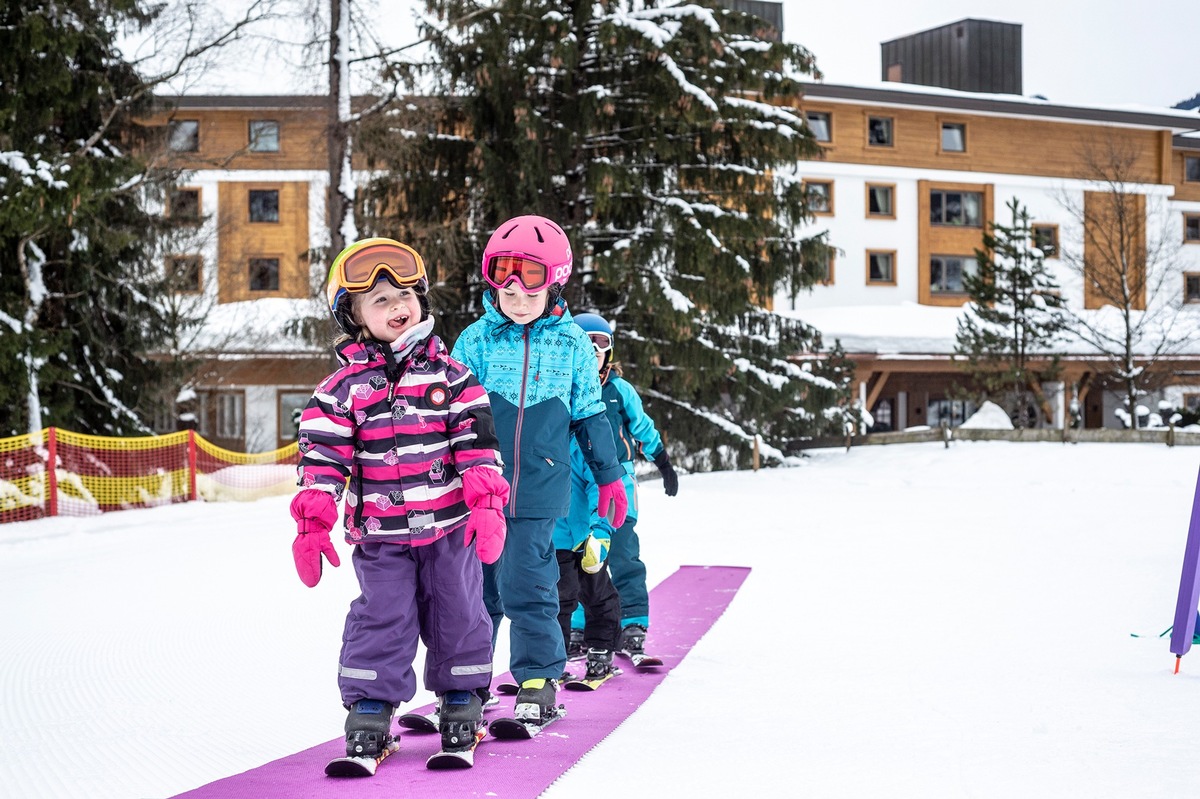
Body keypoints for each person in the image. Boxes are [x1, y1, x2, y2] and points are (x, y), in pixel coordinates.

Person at [290, 237, 510, 761]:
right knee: (382, 615)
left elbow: (477, 444)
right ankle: (370, 704)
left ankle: (461, 696)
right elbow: (322, 457)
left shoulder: (453, 379)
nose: (397, 307)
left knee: (459, 608)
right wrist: (312, 521)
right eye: (380, 300)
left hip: (450, 528)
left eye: (404, 295)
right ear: (355, 315)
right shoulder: (340, 390)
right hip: (381, 537)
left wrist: (485, 502)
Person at [451, 214, 629, 725]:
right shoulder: (476, 340)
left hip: (538, 491)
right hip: (476, 494)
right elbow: (451, 415)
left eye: (531, 284)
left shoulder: (572, 342)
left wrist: (609, 474)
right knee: (476, 593)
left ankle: (537, 680)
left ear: (555, 282)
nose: (518, 295)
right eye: (505, 281)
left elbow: (591, 414)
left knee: (529, 587)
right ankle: (468, 684)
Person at [568, 313, 679, 662]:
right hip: (574, 483)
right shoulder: (563, 388)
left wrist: (663, 461)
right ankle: (580, 624)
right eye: (587, 343)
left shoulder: (619, 391)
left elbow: (643, 427)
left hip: (618, 481)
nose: (594, 350)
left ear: (609, 351)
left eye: (601, 343)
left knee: (622, 553)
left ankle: (633, 622)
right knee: (578, 556)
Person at [553, 438, 622, 682]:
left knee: (599, 595)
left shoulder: (582, 444)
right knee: (557, 602)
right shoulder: (538, 439)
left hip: (586, 539)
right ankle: (552, 659)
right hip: (553, 541)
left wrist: (600, 529)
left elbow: (599, 485)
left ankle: (601, 647)